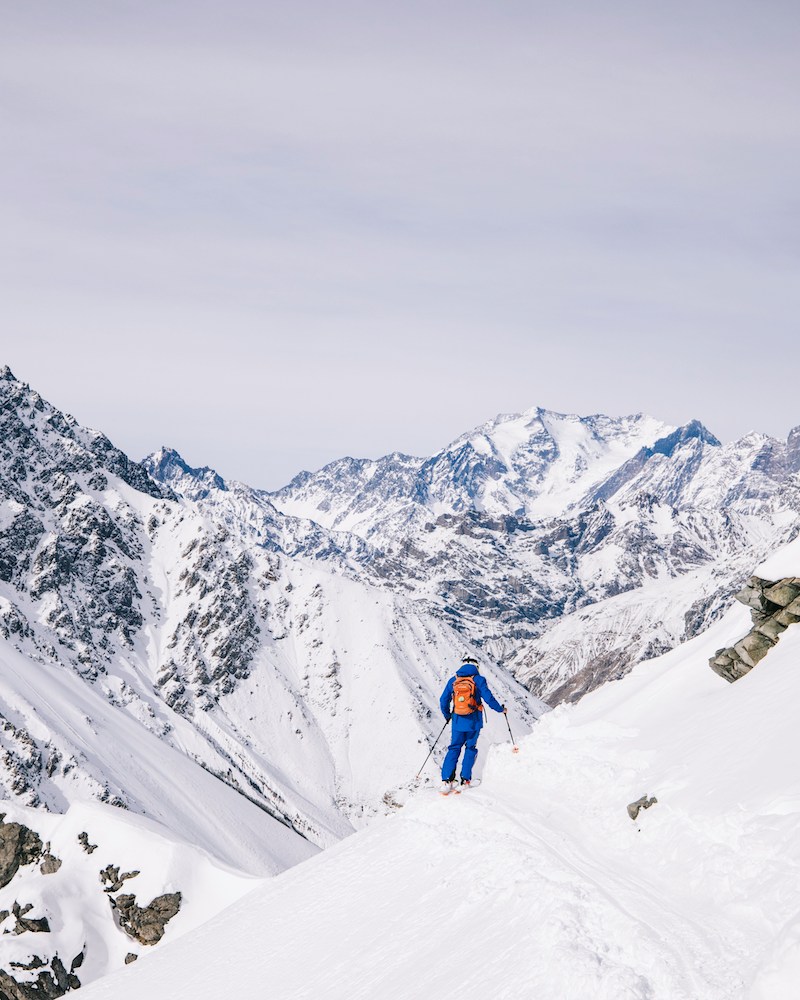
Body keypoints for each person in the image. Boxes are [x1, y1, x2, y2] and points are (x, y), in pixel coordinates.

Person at [439, 656, 506, 791]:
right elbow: (488, 698)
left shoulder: (453, 681)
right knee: (470, 748)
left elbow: (443, 700)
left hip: (457, 721)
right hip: (473, 722)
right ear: (477, 667)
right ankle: (465, 781)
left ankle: (446, 781)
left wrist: (448, 716)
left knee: (454, 748)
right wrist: (500, 709)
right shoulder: (478, 680)